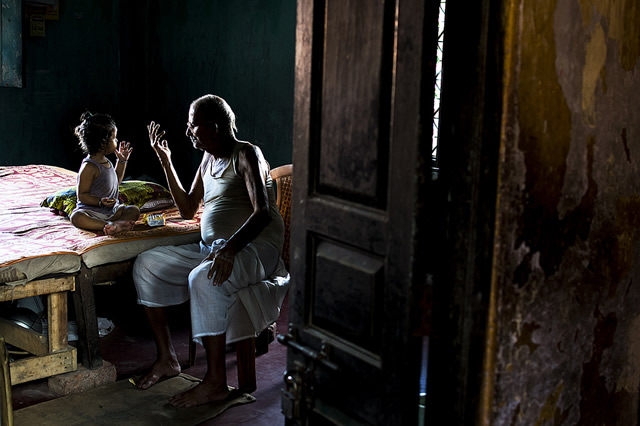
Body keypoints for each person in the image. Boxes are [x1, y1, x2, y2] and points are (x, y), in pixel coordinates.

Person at [132, 94, 289, 407]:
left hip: (254, 247)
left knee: (205, 279)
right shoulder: (207, 158)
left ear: (214, 128)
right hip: (215, 247)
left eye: (194, 126)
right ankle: (167, 359)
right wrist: (166, 160)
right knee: (147, 264)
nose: (189, 132)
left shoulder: (246, 154)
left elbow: (262, 213)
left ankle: (216, 382)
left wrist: (230, 249)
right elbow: (189, 208)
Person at [70, 112, 140, 235]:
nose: (116, 140)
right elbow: (82, 195)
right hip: (91, 212)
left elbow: (117, 181)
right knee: (76, 217)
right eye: (114, 138)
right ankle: (108, 225)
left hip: (112, 211)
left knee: (134, 210)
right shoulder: (89, 166)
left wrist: (122, 161)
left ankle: (117, 224)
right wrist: (100, 201)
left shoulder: (107, 162)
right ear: (103, 142)